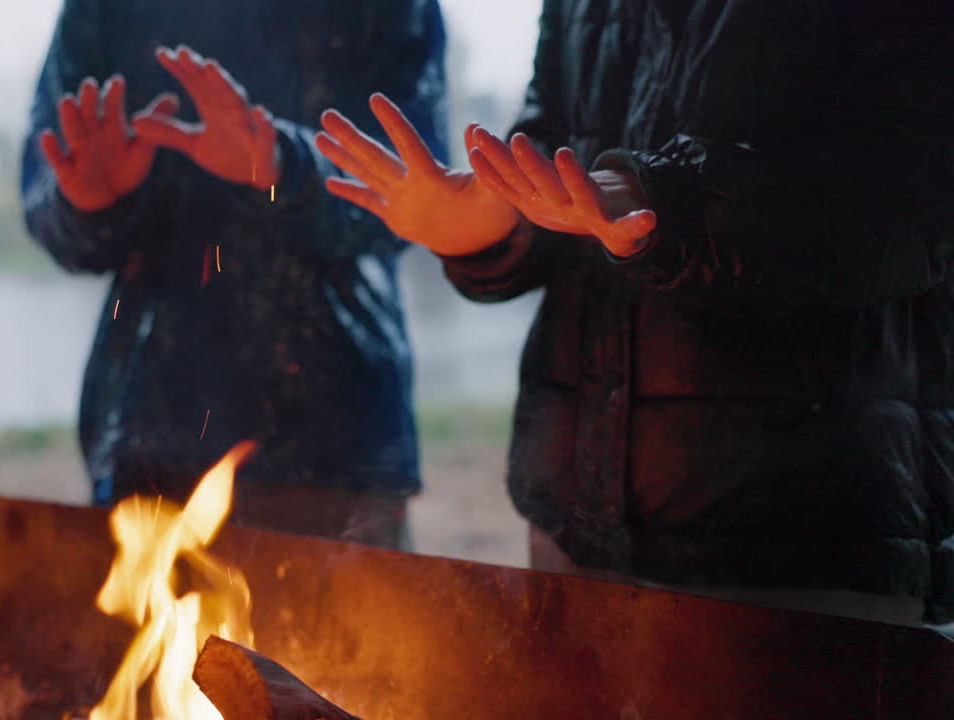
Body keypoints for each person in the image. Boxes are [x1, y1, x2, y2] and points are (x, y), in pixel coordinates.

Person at [316, 1, 954, 624]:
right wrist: (488, 226)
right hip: (573, 523)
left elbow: (914, 192)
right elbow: (554, 158)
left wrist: (661, 200)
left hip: (805, 549)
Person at [20, 0, 447, 550]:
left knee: (362, 634)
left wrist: (283, 167)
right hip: (149, 432)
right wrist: (89, 204)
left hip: (340, 440)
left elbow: (417, 191)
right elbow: (49, 199)